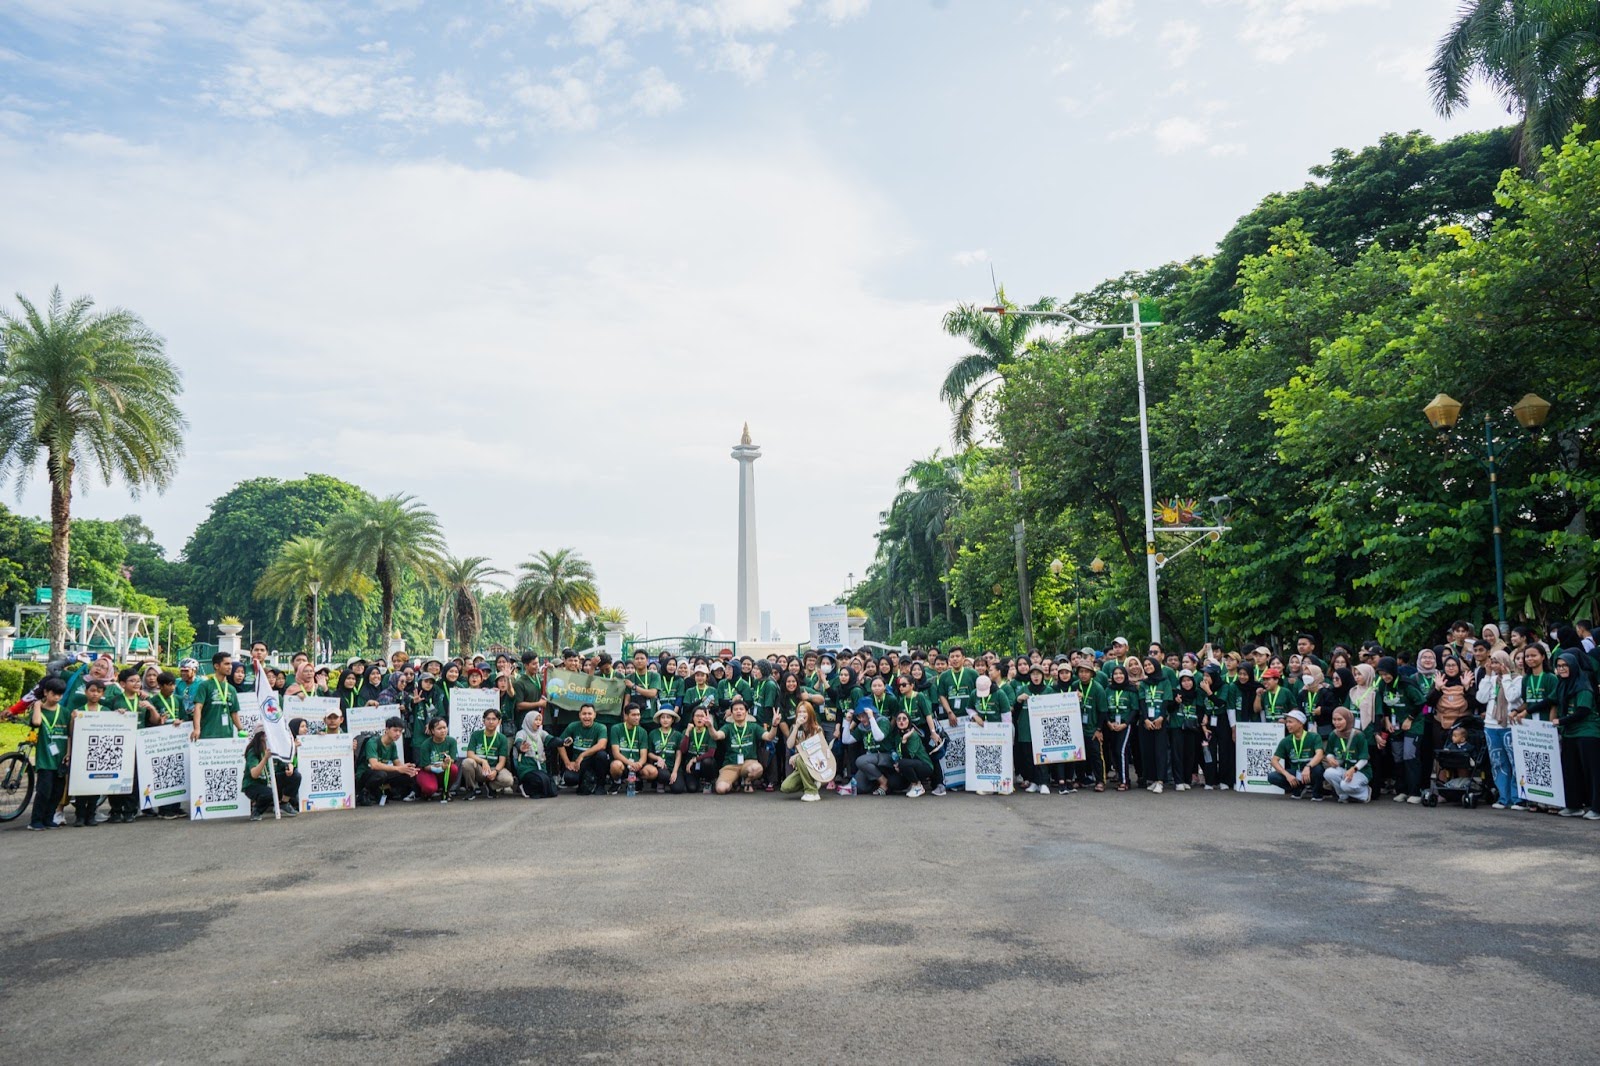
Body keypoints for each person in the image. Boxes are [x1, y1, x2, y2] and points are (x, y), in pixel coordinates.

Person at [1552, 649, 1600, 819]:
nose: (1562, 669)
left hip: (1588, 732)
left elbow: (1583, 711)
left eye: (1565, 665)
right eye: (1559, 666)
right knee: (1570, 770)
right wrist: (1520, 712)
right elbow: (1551, 700)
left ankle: (1597, 808)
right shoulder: (1562, 684)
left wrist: (1561, 721)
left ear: (1573, 666)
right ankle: (1573, 806)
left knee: (1593, 772)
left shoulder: (1583, 685)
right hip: (1570, 734)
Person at [1476, 649, 1526, 810]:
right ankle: (1504, 797)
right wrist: (1487, 675)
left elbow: (1512, 697)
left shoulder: (1517, 679)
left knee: (1515, 762)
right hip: (1491, 725)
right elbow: (1481, 698)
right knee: (1498, 762)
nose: (1494, 665)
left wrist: (1505, 677)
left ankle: (1518, 798)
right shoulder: (1491, 679)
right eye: (1493, 662)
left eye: (1497, 662)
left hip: (1510, 726)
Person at [1374, 657, 1425, 803]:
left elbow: (1421, 703)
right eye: (1381, 674)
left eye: (1387, 674)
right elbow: (1384, 706)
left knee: (1410, 755)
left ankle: (1415, 791)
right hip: (1395, 725)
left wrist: (1409, 719)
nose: (1385, 677)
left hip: (1413, 724)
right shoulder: (1383, 685)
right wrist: (1387, 720)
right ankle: (1402, 790)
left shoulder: (1406, 683)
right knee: (1398, 757)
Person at [25, 677, 69, 831]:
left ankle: (48, 818)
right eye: (53, 694)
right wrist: (37, 706)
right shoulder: (39, 710)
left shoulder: (64, 712)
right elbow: (36, 723)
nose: (56, 697)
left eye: (60, 694)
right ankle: (35, 820)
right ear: (45, 692)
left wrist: (68, 753)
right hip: (45, 759)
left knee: (57, 791)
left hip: (60, 759)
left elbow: (69, 735)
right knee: (44, 790)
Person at [242, 729, 300, 820]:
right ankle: (257, 811)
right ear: (261, 737)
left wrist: (290, 766)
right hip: (254, 784)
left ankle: (284, 804)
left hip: (270, 781)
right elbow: (254, 774)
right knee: (269, 793)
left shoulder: (275, 749)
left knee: (295, 776)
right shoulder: (253, 752)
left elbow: (285, 763)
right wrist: (265, 758)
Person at [715, 698, 771, 794]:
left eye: (741, 709)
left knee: (757, 769)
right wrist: (710, 726)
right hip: (731, 764)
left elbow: (769, 737)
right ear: (731, 713)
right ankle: (734, 783)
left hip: (748, 762)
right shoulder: (728, 727)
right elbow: (717, 736)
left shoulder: (753, 726)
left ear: (746, 712)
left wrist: (774, 726)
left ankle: (747, 781)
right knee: (721, 789)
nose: (739, 711)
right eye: (735, 710)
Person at [357, 717, 418, 805]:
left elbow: (397, 763)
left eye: (400, 731)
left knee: (407, 774)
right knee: (381, 774)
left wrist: (407, 768)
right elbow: (374, 765)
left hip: (382, 773)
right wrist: (398, 769)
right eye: (395, 730)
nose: (398, 734)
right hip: (365, 774)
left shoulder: (392, 745)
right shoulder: (373, 742)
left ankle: (384, 790)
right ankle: (363, 792)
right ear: (387, 729)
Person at [1268, 709, 1324, 799]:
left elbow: (1320, 754)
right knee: (1272, 777)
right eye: (1287, 722)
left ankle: (1317, 793)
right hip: (1296, 772)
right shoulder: (1286, 740)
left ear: (1300, 723)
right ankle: (1298, 788)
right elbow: (1274, 761)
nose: (1287, 725)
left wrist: (1308, 767)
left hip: (1310, 771)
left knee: (1318, 769)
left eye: (1290, 722)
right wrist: (1287, 775)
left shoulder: (1314, 737)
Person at [1321, 707, 1372, 803]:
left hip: (1360, 771)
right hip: (1343, 768)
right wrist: (1330, 758)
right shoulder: (1334, 734)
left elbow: (1364, 759)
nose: (1336, 723)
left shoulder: (1358, 735)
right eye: (1334, 720)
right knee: (1328, 773)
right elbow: (1329, 752)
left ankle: (1364, 794)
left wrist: (1353, 769)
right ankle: (1343, 795)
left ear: (1348, 720)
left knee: (1345, 785)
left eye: (1340, 719)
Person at [780, 702, 827, 801]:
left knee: (800, 759)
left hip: (815, 764)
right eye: (799, 712)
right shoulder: (795, 727)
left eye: (804, 712)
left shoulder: (817, 729)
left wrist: (797, 755)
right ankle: (812, 783)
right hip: (801, 767)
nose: (802, 714)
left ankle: (811, 791)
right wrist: (796, 727)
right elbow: (789, 745)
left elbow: (816, 750)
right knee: (785, 787)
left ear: (810, 713)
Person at [559, 704, 610, 795]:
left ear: (594, 715)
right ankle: (586, 782)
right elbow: (560, 744)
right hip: (578, 764)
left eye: (589, 714)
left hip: (593, 762)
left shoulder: (601, 727)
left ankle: (600, 785)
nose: (587, 717)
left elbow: (602, 745)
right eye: (584, 714)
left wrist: (582, 755)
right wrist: (567, 762)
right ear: (579, 715)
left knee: (602, 755)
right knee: (569, 778)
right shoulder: (573, 726)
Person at [462, 709, 513, 799]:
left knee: (508, 780)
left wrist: (496, 771)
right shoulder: (476, 735)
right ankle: (472, 789)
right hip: (479, 768)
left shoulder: (502, 738)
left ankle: (490, 786)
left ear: (499, 721)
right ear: (483, 721)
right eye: (488, 719)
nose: (491, 722)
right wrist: (483, 761)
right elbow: (470, 754)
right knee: (467, 762)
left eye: (494, 719)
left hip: (493, 768)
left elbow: (502, 761)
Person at [190, 652, 241, 741]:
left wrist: (241, 728)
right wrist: (197, 729)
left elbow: (234, 713)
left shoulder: (231, 689)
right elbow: (198, 708)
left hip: (227, 736)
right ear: (216, 666)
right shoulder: (205, 685)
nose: (230, 667)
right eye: (226, 664)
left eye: (231, 664)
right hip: (208, 734)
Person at [883, 710, 935, 797]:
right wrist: (897, 764)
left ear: (909, 721)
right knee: (892, 783)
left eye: (904, 719)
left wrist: (904, 740)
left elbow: (908, 757)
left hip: (924, 766)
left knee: (904, 762)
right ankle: (911, 784)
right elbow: (899, 754)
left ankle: (917, 786)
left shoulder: (913, 735)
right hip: (907, 765)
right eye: (899, 719)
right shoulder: (897, 736)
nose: (901, 721)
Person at [671, 706, 721, 794]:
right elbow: (683, 750)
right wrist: (687, 733)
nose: (699, 718)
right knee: (692, 789)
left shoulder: (710, 732)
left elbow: (711, 753)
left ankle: (708, 781)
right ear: (693, 718)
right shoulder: (688, 731)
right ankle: (697, 782)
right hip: (691, 766)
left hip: (704, 762)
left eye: (702, 716)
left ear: (707, 718)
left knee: (708, 762)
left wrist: (695, 759)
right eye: (697, 716)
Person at [412, 716, 463, 802]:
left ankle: (446, 791)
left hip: (444, 769)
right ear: (432, 731)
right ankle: (425, 793)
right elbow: (425, 766)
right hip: (428, 771)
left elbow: (453, 760)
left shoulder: (451, 741)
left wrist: (447, 762)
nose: (443, 731)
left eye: (445, 727)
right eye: (439, 728)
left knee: (453, 768)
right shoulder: (426, 744)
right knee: (429, 788)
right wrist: (440, 768)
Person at [513, 710, 559, 798]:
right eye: (536, 720)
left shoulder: (541, 733)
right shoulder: (522, 733)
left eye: (539, 720)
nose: (538, 722)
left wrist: (563, 742)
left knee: (552, 788)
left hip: (540, 766)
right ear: (529, 720)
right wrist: (521, 747)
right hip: (527, 767)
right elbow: (518, 742)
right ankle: (523, 786)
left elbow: (551, 740)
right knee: (538, 781)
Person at [608, 704, 650, 795]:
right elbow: (616, 753)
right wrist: (630, 763)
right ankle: (617, 782)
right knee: (615, 766)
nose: (637, 718)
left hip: (637, 766)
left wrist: (639, 763)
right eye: (634, 715)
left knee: (652, 772)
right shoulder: (616, 728)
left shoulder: (643, 731)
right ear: (626, 716)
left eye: (638, 715)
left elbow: (643, 756)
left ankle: (638, 781)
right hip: (623, 764)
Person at [642, 707, 681, 793]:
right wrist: (658, 758)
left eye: (668, 717)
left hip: (672, 765)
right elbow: (649, 753)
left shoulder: (677, 734)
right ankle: (660, 782)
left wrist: (675, 771)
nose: (665, 720)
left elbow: (678, 754)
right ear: (659, 719)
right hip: (659, 766)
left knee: (678, 789)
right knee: (663, 774)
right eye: (663, 717)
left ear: (672, 720)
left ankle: (669, 781)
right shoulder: (653, 733)